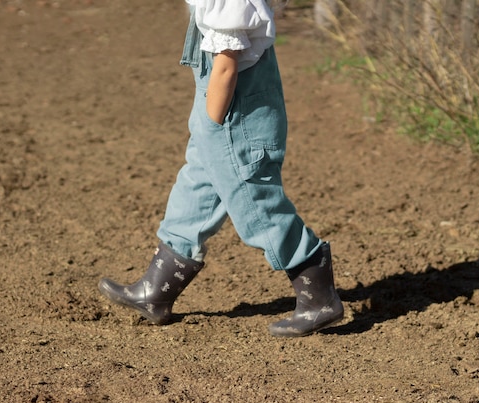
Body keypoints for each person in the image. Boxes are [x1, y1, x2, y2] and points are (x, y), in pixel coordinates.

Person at [98, 0, 343, 337]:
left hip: (234, 115)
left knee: (255, 204)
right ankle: (155, 291)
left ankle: (318, 297)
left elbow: (226, 65)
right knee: (196, 188)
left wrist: (212, 125)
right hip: (222, 105)